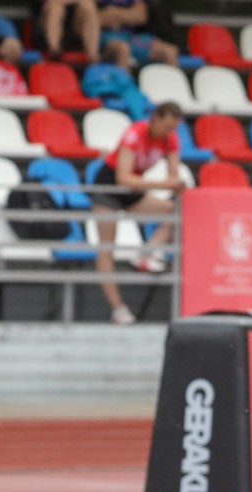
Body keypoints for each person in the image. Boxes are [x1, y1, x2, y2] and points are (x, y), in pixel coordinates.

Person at [90, 101, 183, 326]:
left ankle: (145, 254)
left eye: (173, 128)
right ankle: (118, 309)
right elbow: (123, 177)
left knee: (175, 212)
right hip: (109, 187)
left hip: (134, 189)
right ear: (155, 118)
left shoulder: (170, 139)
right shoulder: (135, 133)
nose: (168, 132)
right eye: (166, 126)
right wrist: (163, 184)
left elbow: (174, 176)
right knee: (107, 248)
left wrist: (175, 183)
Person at [96, 0, 178, 65]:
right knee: (123, 49)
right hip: (103, 38)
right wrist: (128, 15)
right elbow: (94, 19)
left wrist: (113, 13)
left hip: (129, 37)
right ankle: (124, 81)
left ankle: (175, 81)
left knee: (170, 51)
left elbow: (141, 17)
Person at [32, 0, 102, 61]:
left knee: (89, 7)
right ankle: (54, 51)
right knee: (56, 10)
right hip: (53, 9)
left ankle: (93, 55)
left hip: (77, 16)